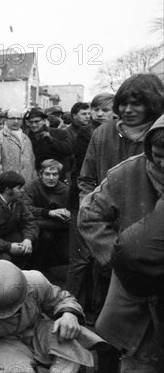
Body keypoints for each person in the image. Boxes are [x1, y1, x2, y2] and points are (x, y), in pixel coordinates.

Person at [79, 114, 164, 372]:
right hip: (135, 302)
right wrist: (120, 258)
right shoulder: (128, 172)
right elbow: (89, 216)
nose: (162, 162)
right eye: (157, 153)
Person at [0, 260, 105, 373]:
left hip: (34, 330)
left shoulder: (35, 281)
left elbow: (61, 298)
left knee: (73, 341)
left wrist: (69, 314)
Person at [65, 93, 114, 313]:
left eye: (106, 109)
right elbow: (86, 174)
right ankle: (69, 306)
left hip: (104, 201)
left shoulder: (116, 133)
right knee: (81, 257)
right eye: (96, 109)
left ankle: (93, 307)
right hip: (83, 200)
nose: (100, 114)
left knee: (97, 258)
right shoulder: (89, 134)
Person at [22, 159, 70, 272]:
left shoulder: (65, 190)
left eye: (55, 174)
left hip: (59, 228)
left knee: (67, 255)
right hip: (36, 226)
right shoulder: (31, 187)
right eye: (47, 174)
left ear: (59, 175)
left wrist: (67, 213)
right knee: (46, 237)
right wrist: (48, 212)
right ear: (40, 174)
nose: (51, 178)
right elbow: (25, 209)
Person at [0, 108, 36, 186]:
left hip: (26, 187)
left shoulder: (26, 138)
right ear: (6, 120)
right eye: (12, 118)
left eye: (19, 119)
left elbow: (31, 163)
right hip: (7, 187)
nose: (16, 121)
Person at [24, 107, 73, 178]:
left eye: (37, 121)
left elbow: (68, 150)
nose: (34, 125)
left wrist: (52, 140)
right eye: (31, 122)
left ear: (44, 121)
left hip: (56, 176)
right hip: (37, 176)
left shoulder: (59, 133)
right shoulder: (26, 137)